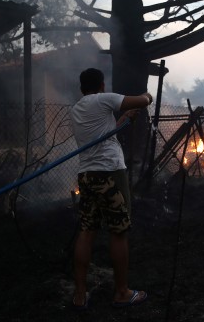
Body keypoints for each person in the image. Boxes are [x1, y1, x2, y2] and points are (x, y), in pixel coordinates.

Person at [70, 67, 152, 310]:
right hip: (110, 173)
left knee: (87, 231)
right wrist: (149, 95)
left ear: (81, 88)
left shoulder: (77, 109)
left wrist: (122, 121)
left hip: (87, 175)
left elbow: (101, 134)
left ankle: (80, 295)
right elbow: (141, 101)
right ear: (102, 85)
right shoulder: (103, 98)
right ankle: (122, 292)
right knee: (118, 232)